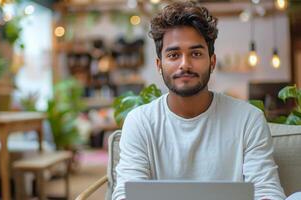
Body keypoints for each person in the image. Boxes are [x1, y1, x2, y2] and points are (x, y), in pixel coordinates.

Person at [112, 1, 295, 200]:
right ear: (159, 65)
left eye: (196, 54)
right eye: (173, 55)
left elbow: (266, 191)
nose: (185, 64)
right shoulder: (140, 122)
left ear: (212, 62)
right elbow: (125, 194)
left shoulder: (248, 119)